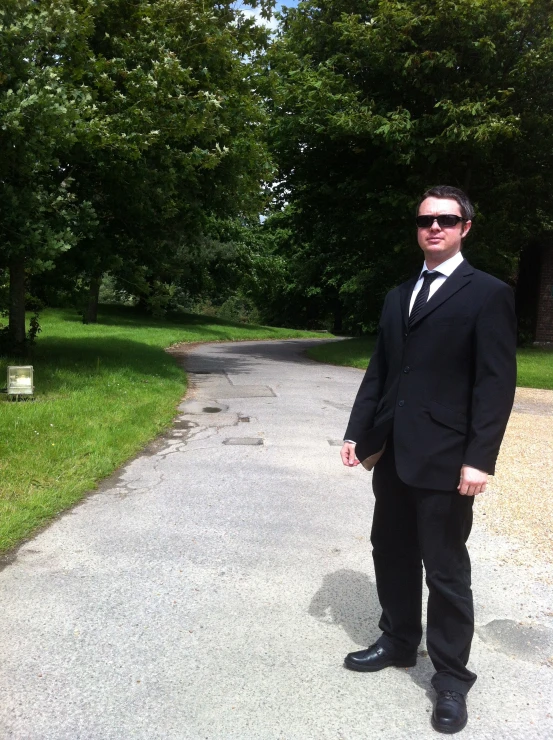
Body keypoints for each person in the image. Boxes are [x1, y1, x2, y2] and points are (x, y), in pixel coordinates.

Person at [340, 185, 517, 734]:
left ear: (466, 227)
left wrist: (479, 458)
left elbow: (496, 384)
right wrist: (356, 431)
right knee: (389, 550)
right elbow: (381, 371)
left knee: (443, 569)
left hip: (446, 456)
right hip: (393, 452)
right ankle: (397, 641)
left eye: (445, 219)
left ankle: (451, 679)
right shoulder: (399, 295)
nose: (433, 227)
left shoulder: (487, 293)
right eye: (424, 220)